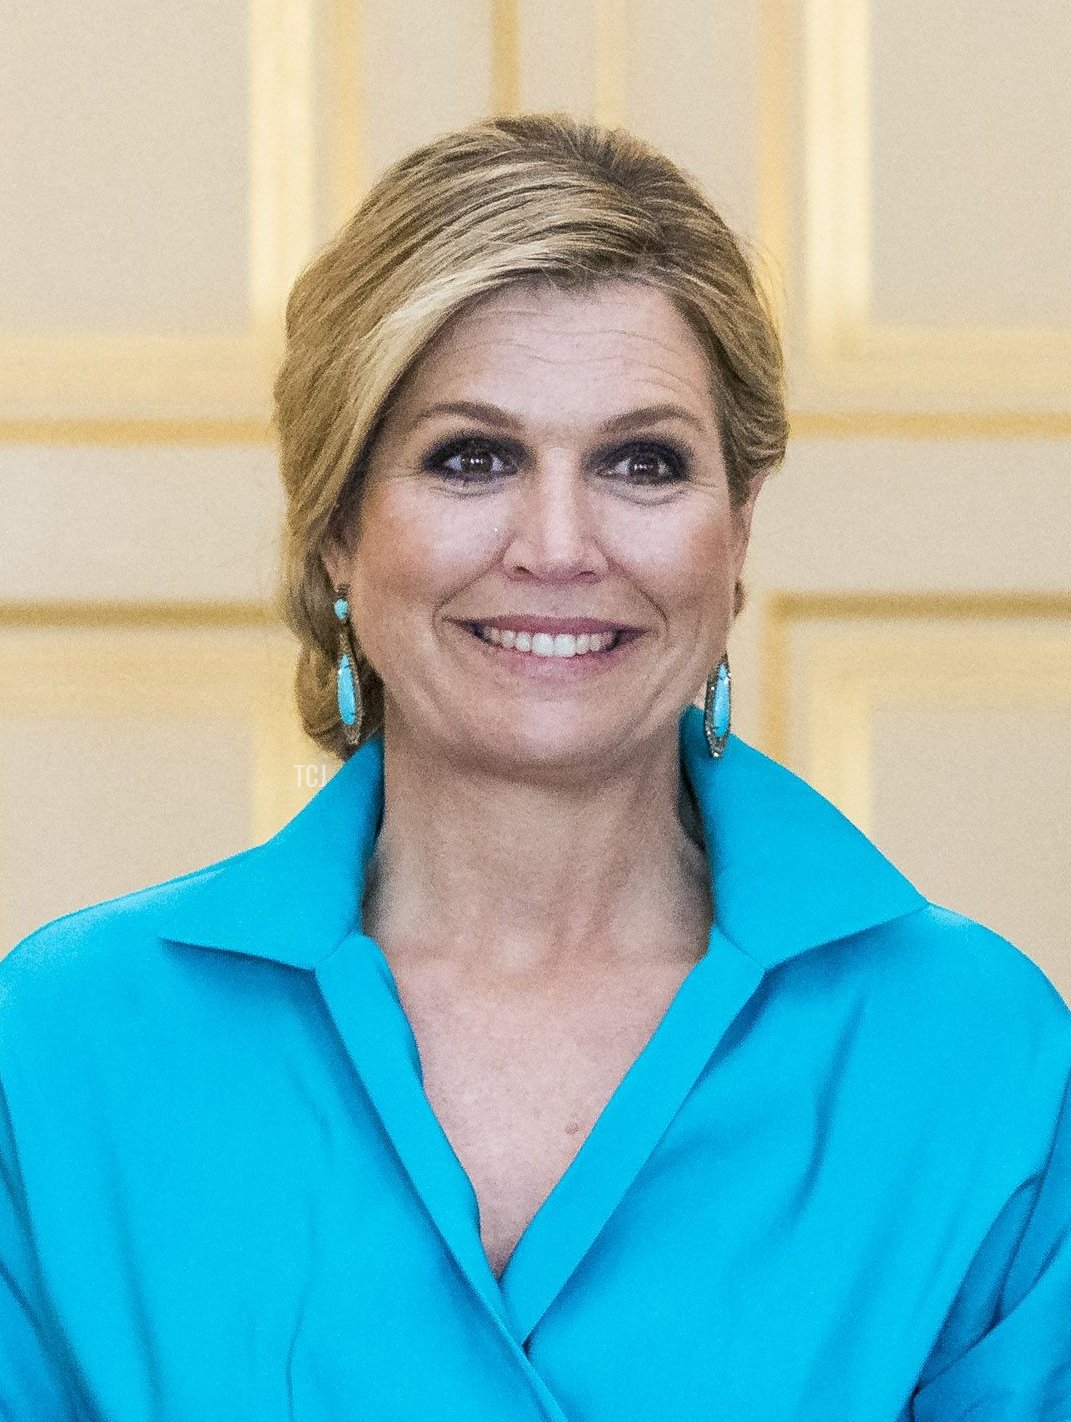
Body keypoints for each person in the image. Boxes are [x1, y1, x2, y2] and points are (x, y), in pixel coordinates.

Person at [1, 112, 1069, 1422]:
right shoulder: (64, 1044)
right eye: (473, 457)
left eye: (641, 462)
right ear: (337, 529)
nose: (559, 545)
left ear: (737, 533)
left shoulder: (975, 1049)